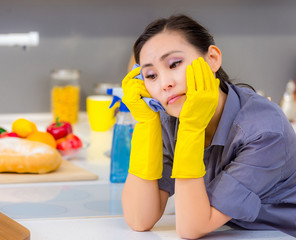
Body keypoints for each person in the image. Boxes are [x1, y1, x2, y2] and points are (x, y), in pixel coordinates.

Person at [121, 14, 296, 239]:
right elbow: (139, 219)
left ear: (212, 58)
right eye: (151, 75)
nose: (165, 84)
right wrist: (146, 125)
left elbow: (191, 228)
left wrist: (191, 129)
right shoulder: (170, 119)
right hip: (229, 231)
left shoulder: (265, 131)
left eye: (174, 64)